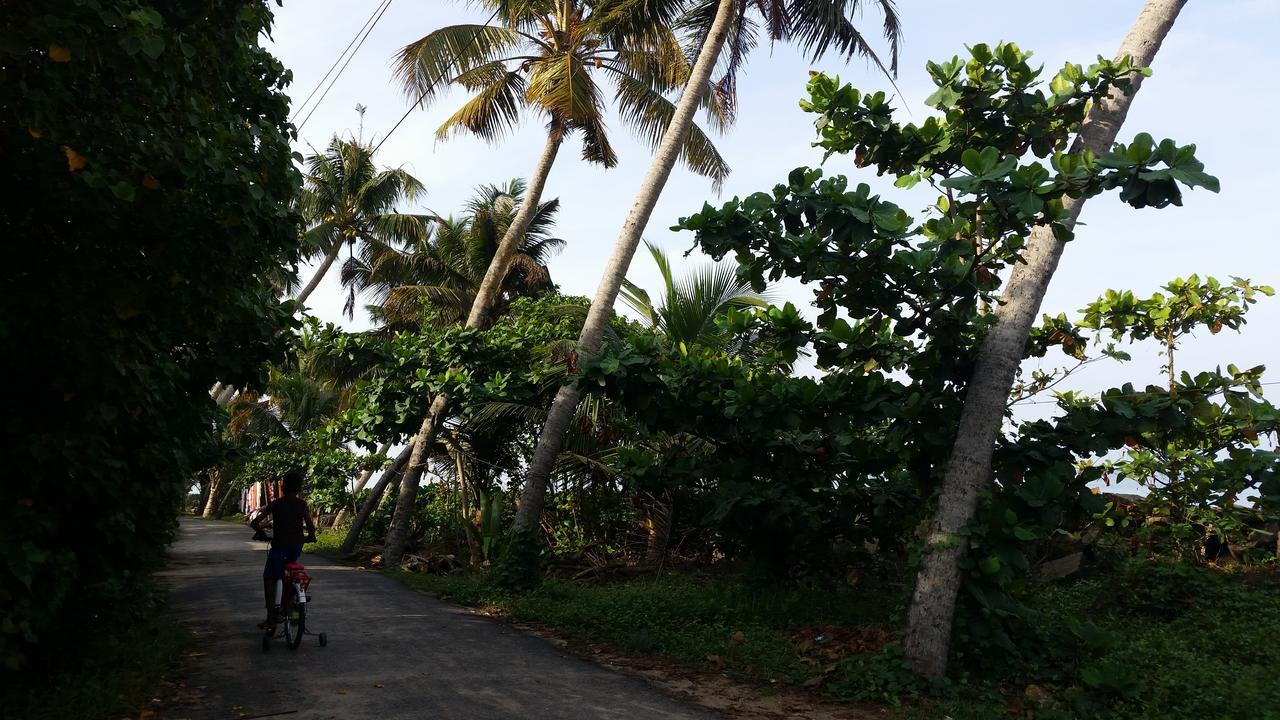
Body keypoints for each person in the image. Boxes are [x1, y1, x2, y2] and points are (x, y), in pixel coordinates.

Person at [250, 468, 316, 628]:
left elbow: (255, 522)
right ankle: (292, 610)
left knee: (269, 579)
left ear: (284, 486)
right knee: (289, 576)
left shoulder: (276, 504)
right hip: (295, 549)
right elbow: (311, 528)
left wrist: (261, 534)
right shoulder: (302, 504)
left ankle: (271, 617)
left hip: (279, 548)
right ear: (299, 487)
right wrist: (310, 537)